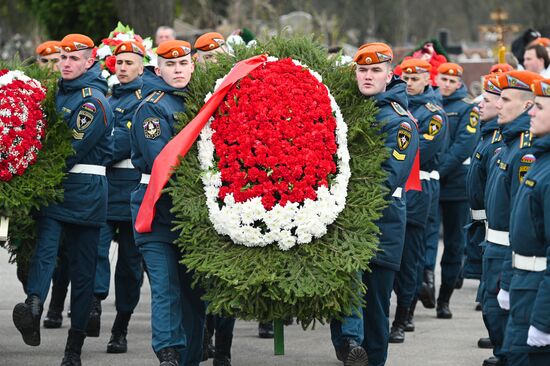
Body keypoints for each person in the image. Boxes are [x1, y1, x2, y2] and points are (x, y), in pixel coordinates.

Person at [12, 33, 113, 365]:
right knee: (45, 252)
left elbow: (71, 148)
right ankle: (34, 307)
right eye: (62, 59)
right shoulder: (55, 94)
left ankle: (74, 349)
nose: (65, 64)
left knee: (83, 274)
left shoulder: (93, 101)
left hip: (85, 193)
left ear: (89, 62)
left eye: (73, 59)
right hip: (56, 191)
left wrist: (31, 163)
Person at [330, 42, 419, 366]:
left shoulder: (400, 122)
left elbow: (388, 179)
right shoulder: (348, 110)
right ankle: (351, 351)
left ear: (389, 74)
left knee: (375, 306)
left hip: (383, 222)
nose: (367, 76)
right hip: (345, 223)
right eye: (362, 70)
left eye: (375, 70)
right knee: (344, 298)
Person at [130, 40, 205, 366]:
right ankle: (168, 352)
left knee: (194, 296)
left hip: (193, 216)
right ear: (157, 69)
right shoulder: (152, 107)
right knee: (166, 287)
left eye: (183, 64)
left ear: (192, 66)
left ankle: (188, 356)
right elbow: (161, 161)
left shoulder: (202, 102)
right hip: (157, 210)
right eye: (170, 65)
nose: (178, 70)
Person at [481, 70, 541, 366]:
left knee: (501, 318)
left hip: (508, 251)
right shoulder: (508, 141)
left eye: (505, 99)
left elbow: (523, 214)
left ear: (527, 106)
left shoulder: (525, 151)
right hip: (493, 246)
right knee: (492, 314)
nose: (497, 104)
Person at [90, 40, 146, 353]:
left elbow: (122, 143)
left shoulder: (144, 101)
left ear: (141, 66)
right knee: (95, 249)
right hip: (105, 186)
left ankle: (120, 326)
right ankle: (94, 304)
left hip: (130, 188)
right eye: (119, 63)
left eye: (128, 63)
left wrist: (96, 148)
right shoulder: (107, 99)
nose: (122, 68)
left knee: (128, 264)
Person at [390, 58, 447, 343]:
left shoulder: (434, 114)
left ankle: (404, 316)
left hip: (418, 187)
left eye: (415, 78)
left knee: (410, 256)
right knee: (391, 256)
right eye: (406, 78)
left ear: (427, 79)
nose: (409, 83)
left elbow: (422, 147)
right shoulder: (393, 108)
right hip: (394, 186)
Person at [420, 62, 480, 318]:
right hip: (432, 185)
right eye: (443, 79)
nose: (446, 84)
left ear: (458, 83)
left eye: (451, 81)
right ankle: (426, 285)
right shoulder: (429, 104)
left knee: (455, 244)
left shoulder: (468, 107)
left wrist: (439, 169)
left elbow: (464, 145)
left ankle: (445, 299)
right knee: (427, 238)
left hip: (455, 186)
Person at [500, 77, 550, 366]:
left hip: (538, 292)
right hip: (523, 285)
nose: (531, 112)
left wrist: (543, 322)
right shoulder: (541, 162)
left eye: (539, 107)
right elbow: (518, 230)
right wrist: (507, 283)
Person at [464, 72, 506, 352]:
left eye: (486, 101)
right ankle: (499, 343)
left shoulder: (498, 142)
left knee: (493, 293)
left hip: (494, 228)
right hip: (483, 226)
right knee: (487, 290)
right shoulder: (487, 135)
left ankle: (502, 348)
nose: (479, 105)